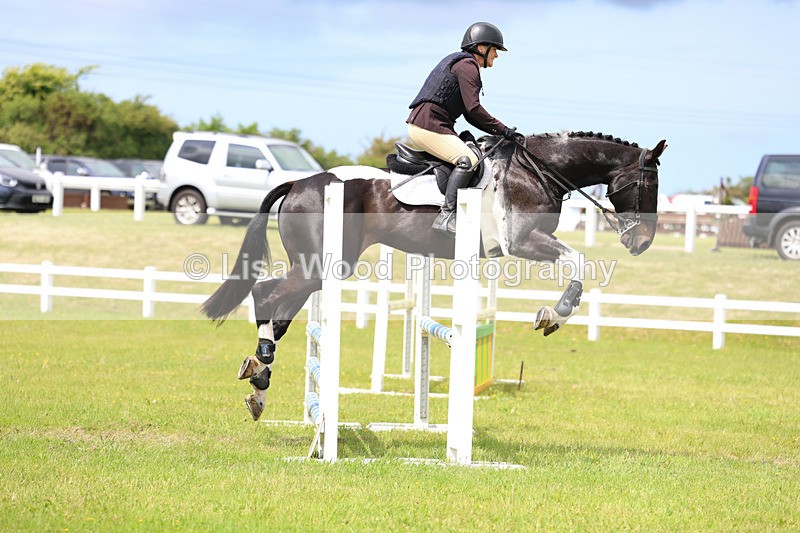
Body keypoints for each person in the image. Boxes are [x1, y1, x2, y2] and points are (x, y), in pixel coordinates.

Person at [407, 21, 518, 234]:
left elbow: (469, 114)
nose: (497, 55)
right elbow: (474, 109)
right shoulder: (468, 66)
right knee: (469, 160)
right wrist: (503, 129)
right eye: (494, 49)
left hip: (431, 125)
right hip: (428, 126)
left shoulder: (462, 63)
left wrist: (499, 131)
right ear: (481, 48)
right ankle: (446, 215)